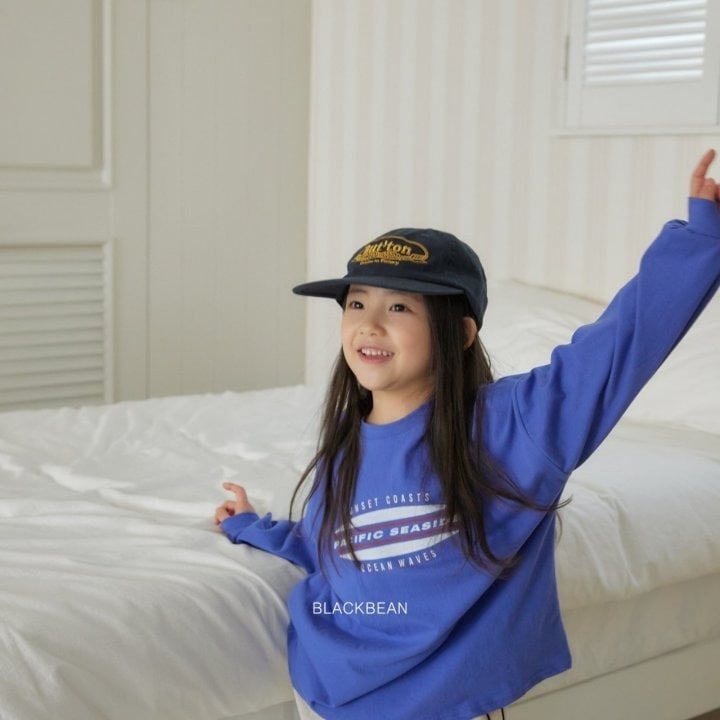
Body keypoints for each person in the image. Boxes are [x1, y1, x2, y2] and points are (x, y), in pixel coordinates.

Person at [214, 150, 720, 720]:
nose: (368, 324)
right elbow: (326, 546)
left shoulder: (515, 426)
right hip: (323, 688)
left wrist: (701, 239)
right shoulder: (344, 448)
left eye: (398, 306)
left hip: (438, 705)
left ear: (459, 334)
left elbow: (618, 345)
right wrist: (249, 526)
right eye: (356, 302)